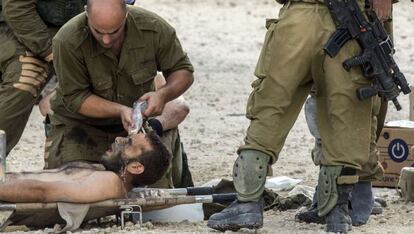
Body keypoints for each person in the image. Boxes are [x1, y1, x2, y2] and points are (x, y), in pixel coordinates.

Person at [207, 0, 383, 233]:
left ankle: (248, 203)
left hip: (298, 19)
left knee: (271, 109)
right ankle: (337, 211)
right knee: (346, 117)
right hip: (351, 23)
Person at [45, 0, 194, 190]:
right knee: (72, 189)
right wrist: (120, 110)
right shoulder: (66, 40)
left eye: (114, 31)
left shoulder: (154, 28)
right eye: (98, 32)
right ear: (86, 14)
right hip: (80, 125)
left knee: (156, 194)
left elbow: (184, 72)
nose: (106, 40)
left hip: (134, 129)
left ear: (127, 15)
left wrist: (163, 95)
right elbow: (76, 98)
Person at [296, 0, 395, 226]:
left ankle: (360, 181)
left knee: (367, 87)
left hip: (367, 10)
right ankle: (330, 188)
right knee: (324, 91)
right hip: (321, 9)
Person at [0, 0, 87, 155]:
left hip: (80, 29)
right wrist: (52, 53)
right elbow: (17, 8)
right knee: (26, 78)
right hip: (21, 23)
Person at [0, 131, 171, 203]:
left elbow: (42, 191)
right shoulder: (102, 172)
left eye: (128, 143)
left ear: (135, 167)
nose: (119, 139)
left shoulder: (110, 182)